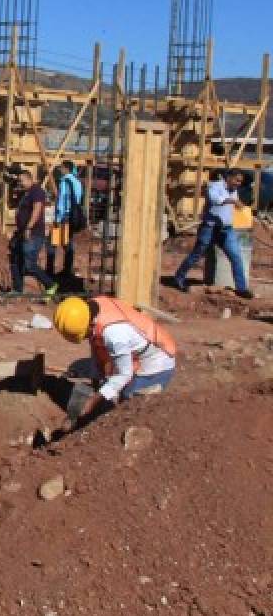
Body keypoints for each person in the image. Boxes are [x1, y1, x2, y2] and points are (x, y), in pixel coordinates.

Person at [53, 296, 177, 425]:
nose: (85, 338)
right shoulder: (90, 308)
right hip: (136, 350)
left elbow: (124, 374)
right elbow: (97, 348)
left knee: (129, 406)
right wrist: (97, 381)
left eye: (84, 335)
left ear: (89, 325)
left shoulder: (114, 335)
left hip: (157, 361)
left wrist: (92, 402)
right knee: (115, 391)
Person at [172, 169, 254, 299]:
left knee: (236, 256)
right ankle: (178, 278)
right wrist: (232, 201)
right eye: (236, 180)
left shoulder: (234, 191)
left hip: (226, 229)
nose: (238, 183)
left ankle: (241, 288)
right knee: (197, 254)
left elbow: (232, 208)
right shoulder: (215, 186)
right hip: (209, 227)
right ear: (229, 178)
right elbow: (215, 199)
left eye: (240, 182)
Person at [9, 169, 59, 298]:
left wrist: (28, 228)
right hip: (21, 232)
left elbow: (36, 210)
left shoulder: (37, 191)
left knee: (29, 265)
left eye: (21, 181)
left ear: (29, 179)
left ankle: (50, 284)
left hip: (33, 233)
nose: (20, 183)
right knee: (15, 260)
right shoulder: (26, 193)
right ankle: (17, 289)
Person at [46, 161, 84, 277]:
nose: (60, 170)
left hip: (64, 217)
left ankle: (50, 270)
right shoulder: (77, 182)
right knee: (67, 242)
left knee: (52, 243)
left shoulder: (64, 182)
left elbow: (62, 201)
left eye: (61, 168)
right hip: (73, 216)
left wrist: (58, 218)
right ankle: (67, 269)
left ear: (66, 168)